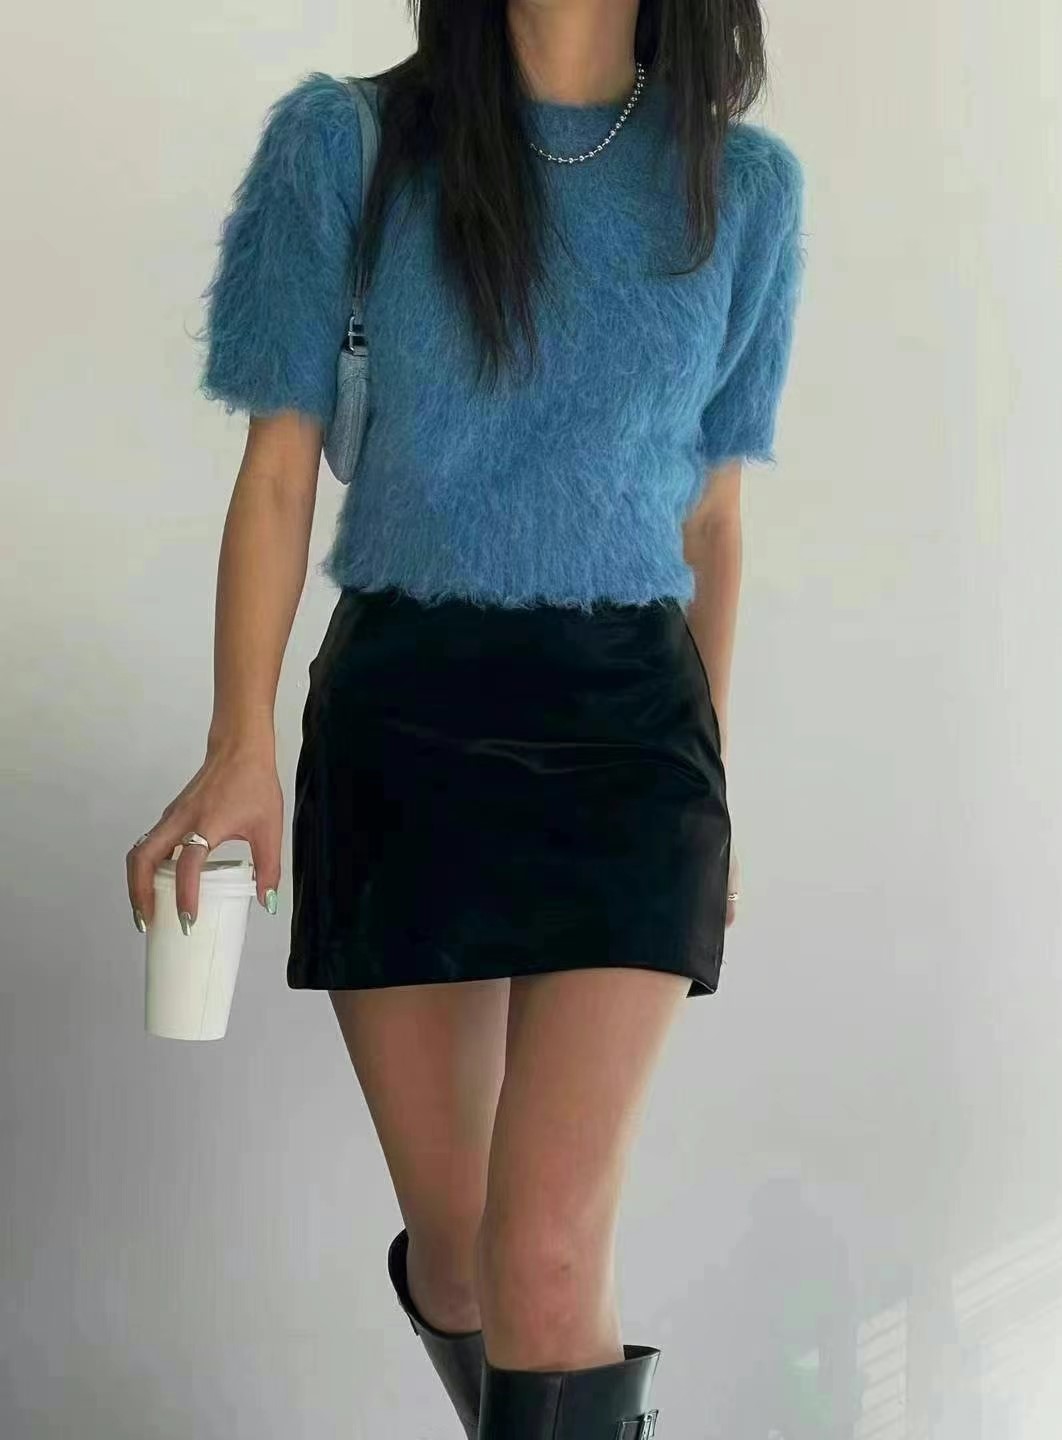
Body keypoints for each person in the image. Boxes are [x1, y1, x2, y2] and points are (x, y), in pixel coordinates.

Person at [124, 2, 804, 1435]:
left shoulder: (742, 187)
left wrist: (717, 790)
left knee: (544, 1260)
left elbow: (714, 519)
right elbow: (277, 473)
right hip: (407, 719)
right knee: (464, 1259)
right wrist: (241, 743)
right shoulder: (348, 144)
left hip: (632, 736)